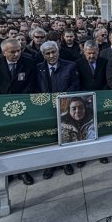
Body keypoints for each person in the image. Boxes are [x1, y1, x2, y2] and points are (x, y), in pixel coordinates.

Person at [0, 38, 37, 185]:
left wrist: (20, 101)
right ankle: (7, 171)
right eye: (12, 52)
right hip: (0, 107)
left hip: (23, 106)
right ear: (4, 52)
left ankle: (23, 170)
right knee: (5, 139)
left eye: (19, 50)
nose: (16, 54)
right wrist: (2, 102)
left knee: (21, 139)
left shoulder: (29, 62)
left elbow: (31, 84)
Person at [37, 40, 79, 178]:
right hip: (46, 108)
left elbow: (75, 85)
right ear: (43, 55)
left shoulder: (70, 66)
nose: (51, 55)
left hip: (65, 106)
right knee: (50, 137)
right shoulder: (38, 68)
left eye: (53, 52)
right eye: (47, 53)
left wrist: (64, 99)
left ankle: (66, 162)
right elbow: (36, 87)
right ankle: (50, 165)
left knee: (64, 134)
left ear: (58, 51)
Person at [75, 40, 109, 164]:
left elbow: (107, 80)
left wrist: (100, 94)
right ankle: (83, 156)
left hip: (100, 99)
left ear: (98, 51)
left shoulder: (104, 62)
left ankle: (101, 153)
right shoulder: (77, 64)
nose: (91, 56)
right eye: (88, 53)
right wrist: (86, 96)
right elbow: (77, 82)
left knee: (99, 129)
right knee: (84, 129)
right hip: (84, 101)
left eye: (94, 53)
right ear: (84, 52)